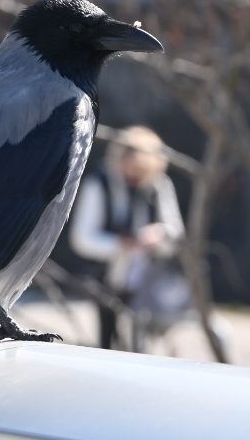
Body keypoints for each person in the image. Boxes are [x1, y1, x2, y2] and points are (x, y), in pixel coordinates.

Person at [69, 126, 186, 348]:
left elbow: (175, 233)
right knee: (108, 340)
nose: (134, 175)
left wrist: (158, 234)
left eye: (141, 170)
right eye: (130, 167)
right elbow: (82, 238)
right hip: (108, 277)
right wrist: (119, 244)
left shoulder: (159, 186)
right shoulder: (99, 184)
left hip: (148, 279)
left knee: (141, 342)